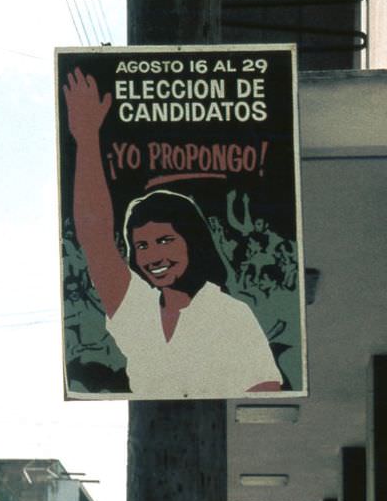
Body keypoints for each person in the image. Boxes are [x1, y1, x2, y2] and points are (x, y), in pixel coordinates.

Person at [62, 67, 282, 398]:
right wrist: (87, 138)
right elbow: (95, 240)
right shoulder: (139, 310)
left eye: (165, 240)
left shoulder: (230, 315)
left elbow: (265, 392)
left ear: (192, 241)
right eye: (142, 246)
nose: (153, 255)